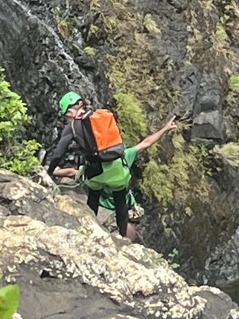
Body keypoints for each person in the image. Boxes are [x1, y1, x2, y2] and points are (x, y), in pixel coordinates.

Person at [45, 92, 176, 239]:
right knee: (121, 204)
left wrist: (50, 171)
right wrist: (165, 128)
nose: (67, 120)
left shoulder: (73, 127)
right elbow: (146, 143)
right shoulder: (100, 118)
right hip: (117, 172)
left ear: (70, 111)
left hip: (96, 173)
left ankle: (88, 230)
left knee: (92, 198)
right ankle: (123, 240)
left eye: (67, 116)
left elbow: (58, 155)